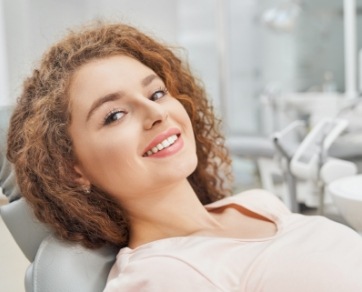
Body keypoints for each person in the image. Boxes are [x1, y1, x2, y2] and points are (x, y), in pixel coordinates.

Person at [6, 22, 362, 292]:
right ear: (73, 170)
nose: (155, 112)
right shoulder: (159, 275)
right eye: (115, 115)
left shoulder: (258, 203)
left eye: (157, 93)